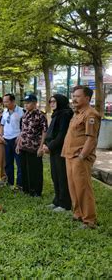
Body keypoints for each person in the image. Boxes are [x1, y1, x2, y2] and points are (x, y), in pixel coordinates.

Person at [61, 86, 101, 229]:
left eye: (78, 96)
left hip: (80, 157)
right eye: (73, 96)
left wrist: (82, 156)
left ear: (87, 98)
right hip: (70, 155)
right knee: (73, 187)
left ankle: (89, 220)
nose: (74, 98)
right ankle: (78, 213)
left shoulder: (91, 115)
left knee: (83, 188)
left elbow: (91, 139)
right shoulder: (77, 113)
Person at [43, 94, 73, 212]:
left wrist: (49, 147)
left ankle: (65, 204)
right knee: (55, 176)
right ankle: (57, 201)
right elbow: (51, 132)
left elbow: (62, 135)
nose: (52, 103)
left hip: (60, 150)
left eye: (54, 101)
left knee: (62, 177)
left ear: (61, 101)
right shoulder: (57, 113)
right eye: (50, 101)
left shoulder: (65, 114)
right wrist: (46, 144)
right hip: (53, 150)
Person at [15, 94, 48, 197]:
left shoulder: (40, 115)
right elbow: (22, 130)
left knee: (35, 170)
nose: (26, 105)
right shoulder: (25, 114)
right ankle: (26, 189)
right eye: (25, 102)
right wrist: (18, 144)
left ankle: (36, 191)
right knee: (24, 168)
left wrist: (41, 147)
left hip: (34, 147)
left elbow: (44, 132)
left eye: (28, 102)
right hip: (23, 146)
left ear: (34, 103)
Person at [0, 93, 24, 188]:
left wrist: (20, 137)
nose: (5, 103)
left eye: (7, 101)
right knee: (8, 162)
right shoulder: (5, 112)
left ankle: (19, 184)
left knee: (19, 163)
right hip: (6, 140)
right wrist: (1, 135)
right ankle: (10, 182)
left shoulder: (21, 111)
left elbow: (24, 127)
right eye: (4, 101)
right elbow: (2, 125)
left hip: (17, 140)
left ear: (13, 101)